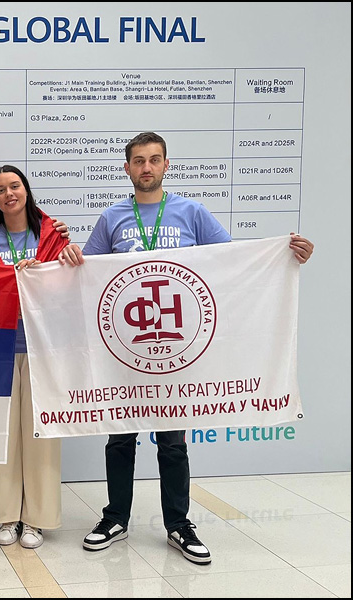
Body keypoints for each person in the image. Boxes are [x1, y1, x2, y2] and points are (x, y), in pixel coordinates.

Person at [58, 131, 314, 564]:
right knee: (120, 439)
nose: (147, 167)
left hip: (178, 352)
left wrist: (286, 255)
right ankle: (115, 518)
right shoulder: (111, 217)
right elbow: (88, 276)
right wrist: (66, 259)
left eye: (154, 159)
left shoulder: (191, 212)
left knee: (173, 443)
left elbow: (233, 263)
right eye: (139, 160)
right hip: (125, 350)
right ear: (127, 168)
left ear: (166, 165)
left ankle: (178, 524)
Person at [0, 165, 69, 549]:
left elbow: (68, 282)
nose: (9, 194)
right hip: (0, 349)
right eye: (0, 190)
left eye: (15, 186)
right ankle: (7, 516)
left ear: (26, 190)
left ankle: (37, 519)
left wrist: (45, 271)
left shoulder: (51, 234)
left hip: (44, 348)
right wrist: (12, 275)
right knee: (3, 436)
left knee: (42, 436)